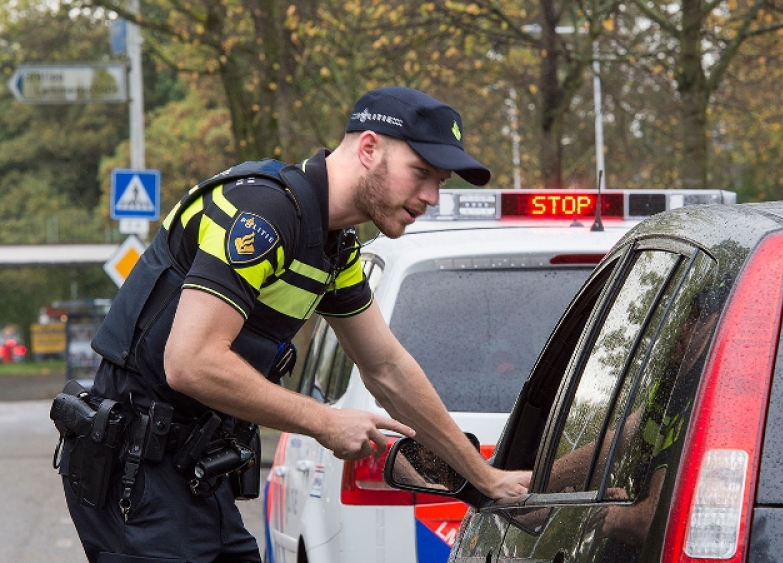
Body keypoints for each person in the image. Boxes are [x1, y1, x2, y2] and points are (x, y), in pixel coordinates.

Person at [54, 86, 531, 562]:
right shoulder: (262, 214)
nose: (430, 196)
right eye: (421, 173)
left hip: (190, 473)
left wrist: (484, 478)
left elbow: (387, 368)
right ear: (368, 148)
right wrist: (323, 421)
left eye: (440, 181)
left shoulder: (333, 246)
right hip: (135, 474)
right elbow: (190, 362)